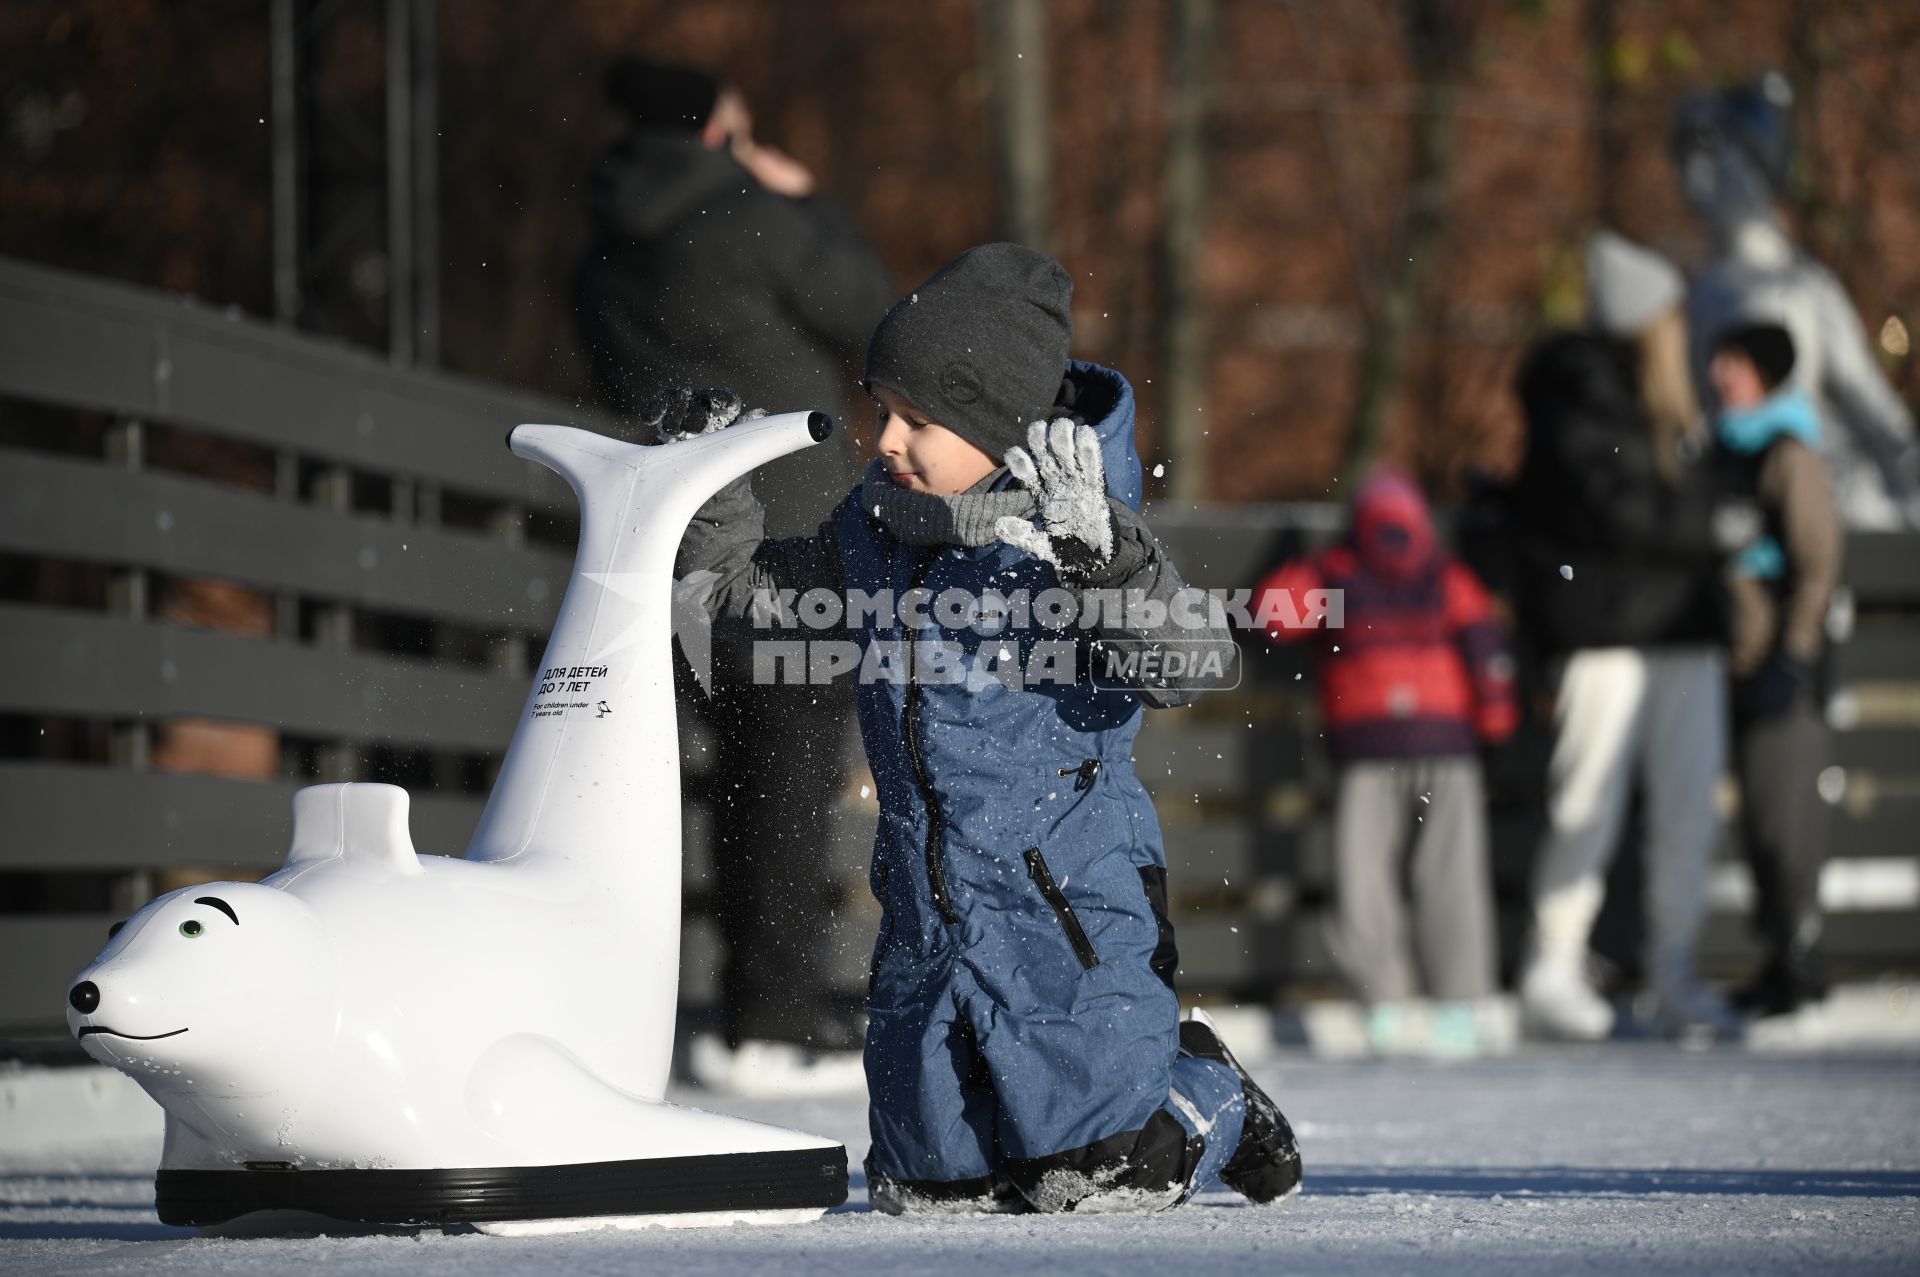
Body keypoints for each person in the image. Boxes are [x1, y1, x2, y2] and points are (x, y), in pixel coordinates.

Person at [665, 242, 1301, 1214]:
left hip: (1066, 913)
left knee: (1099, 1174)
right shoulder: (872, 532)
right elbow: (746, 608)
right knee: (927, 1189)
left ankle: (1209, 1090)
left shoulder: (1078, 541)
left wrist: (1104, 559)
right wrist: (710, 486)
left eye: (918, 420)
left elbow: (1194, 660)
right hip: (927, 922)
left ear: (999, 430)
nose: (886, 439)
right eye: (884, 410)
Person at [572, 57, 896, 1089]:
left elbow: (609, 370)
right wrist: (810, 200)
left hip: (659, 535)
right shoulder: (752, 217)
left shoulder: (604, 242)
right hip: (785, 525)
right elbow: (877, 319)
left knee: (706, 779)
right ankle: (773, 1020)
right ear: (716, 131)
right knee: (786, 775)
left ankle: (694, 1008)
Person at [1506, 232, 1747, 1043]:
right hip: (1605, 629)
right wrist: (1712, 525)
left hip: (1682, 629)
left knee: (1689, 803)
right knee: (1587, 802)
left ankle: (1673, 965)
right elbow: (1612, 505)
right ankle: (1552, 964)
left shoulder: (1674, 402)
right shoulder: (1580, 390)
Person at [1253, 466, 1518, 1057]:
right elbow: (1486, 646)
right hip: (1446, 742)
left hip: (1366, 745)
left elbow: (1272, 616)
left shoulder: (1336, 571)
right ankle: (1460, 1006)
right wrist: (1497, 723)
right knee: (1451, 876)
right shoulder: (1447, 573)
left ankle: (1385, 1003)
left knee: (1364, 879)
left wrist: (1300, 559)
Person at [1673, 72, 1920, 530]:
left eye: (1711, 160)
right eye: (1687, 162)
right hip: (1736, 510)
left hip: (1825, 503)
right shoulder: (1699, 293)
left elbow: (1873, 407)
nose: (1693, 182)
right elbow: (1691, 417)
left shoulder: (1804, 287)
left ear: (1751, 171)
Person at [1707, 322, 1841, 1017]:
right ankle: (1775, 957)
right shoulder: (1716, 451)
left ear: (1764, 372)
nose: (1719, 374)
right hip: (1726, 664)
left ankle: (1798, 956)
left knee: (1785, 820)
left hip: (1779, 668)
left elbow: (1819, 562)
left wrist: (1795, 652)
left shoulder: (1789, 454)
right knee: (1756, 823)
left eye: (1733, 362)